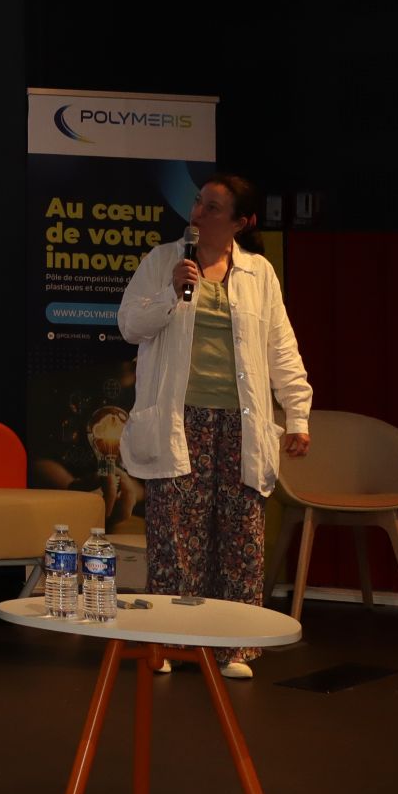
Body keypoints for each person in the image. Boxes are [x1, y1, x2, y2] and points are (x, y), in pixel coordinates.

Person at [117, 172, 312, 679]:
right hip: (179, 420)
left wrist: (297, 415)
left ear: (241, 222)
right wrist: (171, 293)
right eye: (199, 203)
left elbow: (281, 348)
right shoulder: (163, 261)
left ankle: (233, 648)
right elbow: (129, 325)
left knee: (239, 535)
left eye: (212, 208)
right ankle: (167, 643)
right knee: (175, 538)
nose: (198, 214)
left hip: (241, 424)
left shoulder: (259, 273)